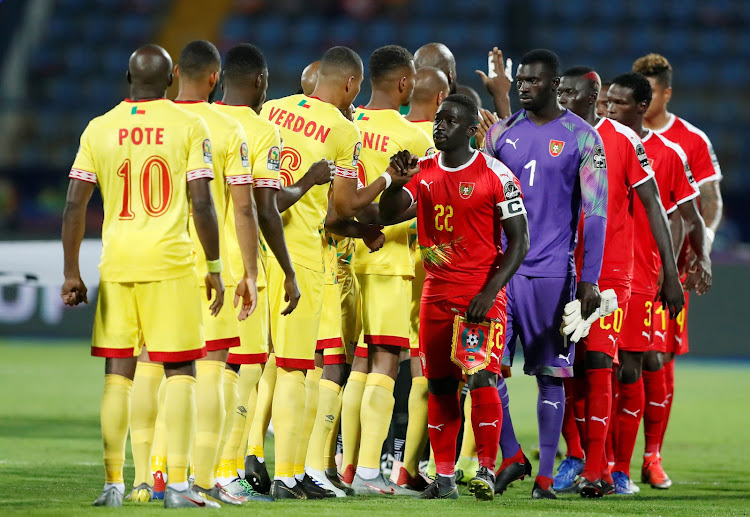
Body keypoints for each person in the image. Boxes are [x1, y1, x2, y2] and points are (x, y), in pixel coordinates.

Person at [62, 44, 226, 509]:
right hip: (172, 264)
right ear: (173, 76)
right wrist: (213, 268)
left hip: (117, 264)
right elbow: (201, 203)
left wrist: (72, 272)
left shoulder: (99, 128)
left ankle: (114, 484)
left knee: (119, 374)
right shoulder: (188, 124)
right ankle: (176, 485)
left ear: (127, 76)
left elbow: (75, 204)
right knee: (179, 371)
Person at [126, 39, 262, 507]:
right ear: (214, 79)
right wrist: (249, 271)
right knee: (209, 370)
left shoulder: (137, 128)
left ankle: (147, 477)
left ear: (174, 73)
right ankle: (199, 481)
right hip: (211, 266)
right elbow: (243, 210)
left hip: (154, 262)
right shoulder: (226, 128)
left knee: (149, 364)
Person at [379, 93, 530, 500]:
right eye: (438, 119)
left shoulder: (496, 175)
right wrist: (394, 182)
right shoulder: (423, 170)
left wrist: (490, 291)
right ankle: (443, 480)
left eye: (449, 121)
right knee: (440, 384)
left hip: (481, 297)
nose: (438, 125)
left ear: (469, 130)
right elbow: (388, 214)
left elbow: (519, 242)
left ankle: (483, 469)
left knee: (481, 377)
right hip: (435, 295)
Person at [483, 49, 608, 499]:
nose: (524, 88)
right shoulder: (499, 134)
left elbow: (595, 214)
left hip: (554, 275)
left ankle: (545, 478)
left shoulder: (583, 138)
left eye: (533, 82)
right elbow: (482, 203)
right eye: (521, 83)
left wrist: (590, 279)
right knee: (485, 368)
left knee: (550, 375)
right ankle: (513, 454)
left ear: (554, 85)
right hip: (502, 274)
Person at [557, 67, 687, 497]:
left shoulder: (626, 140)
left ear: (592, 96)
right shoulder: (552, 134)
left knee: (604, 364)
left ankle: (604, 470)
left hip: (611, 273)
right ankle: (578, 461)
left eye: (569, 93)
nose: (563, 100)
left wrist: (672, 274)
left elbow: (654, 208)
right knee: (565, 369)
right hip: (560, 269)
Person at [258, 45, 364, 500]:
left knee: (249, 364)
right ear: (351, 84)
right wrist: (388, 187)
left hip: (253, 249)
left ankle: (241, 463)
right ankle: (288, 475)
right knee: (295, 370)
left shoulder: (270, 108)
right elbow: (342, 208)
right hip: (298, 254)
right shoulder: (343, 129)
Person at [328, 45, 433, 496]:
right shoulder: (415, 138)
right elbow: (418, 208)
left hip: (344, 261)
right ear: (405, 84)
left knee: (354, 364)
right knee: (386, 364)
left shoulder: (348, 126)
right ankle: (371, 469)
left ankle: (345, 465)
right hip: (391, 263)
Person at [605, 71, 711, 494]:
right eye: (606, 101)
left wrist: (695, 260)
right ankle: (591, 460)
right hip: (598, 274)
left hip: (644, 276)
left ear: (643, 106)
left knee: (643, 364)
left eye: (617, 102)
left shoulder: (668, 153)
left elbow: (692, 215)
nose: (609, 108)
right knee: (593, 370)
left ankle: (634, 462)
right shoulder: (594, 144)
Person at [212, 43, 305, 501]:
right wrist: (287, 269)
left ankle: (171, 468)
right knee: (245, 369)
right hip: (241, 267)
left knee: (194, 369)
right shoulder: (262, 132)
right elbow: (265, 209)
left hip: (192, 266)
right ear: (259, 82)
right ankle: (225, 467)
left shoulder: (196, 122)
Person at [632, 53, 722, 488]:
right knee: (614, 360)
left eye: (652, 91)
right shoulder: (614, 137)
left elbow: (710, 202)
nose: (645, 98)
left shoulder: (690, 140)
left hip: (669, 269)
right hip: (624, 265)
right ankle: (599, 456)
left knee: (658, 355)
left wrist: (699, 247)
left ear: (667, 93)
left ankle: (652, 456)